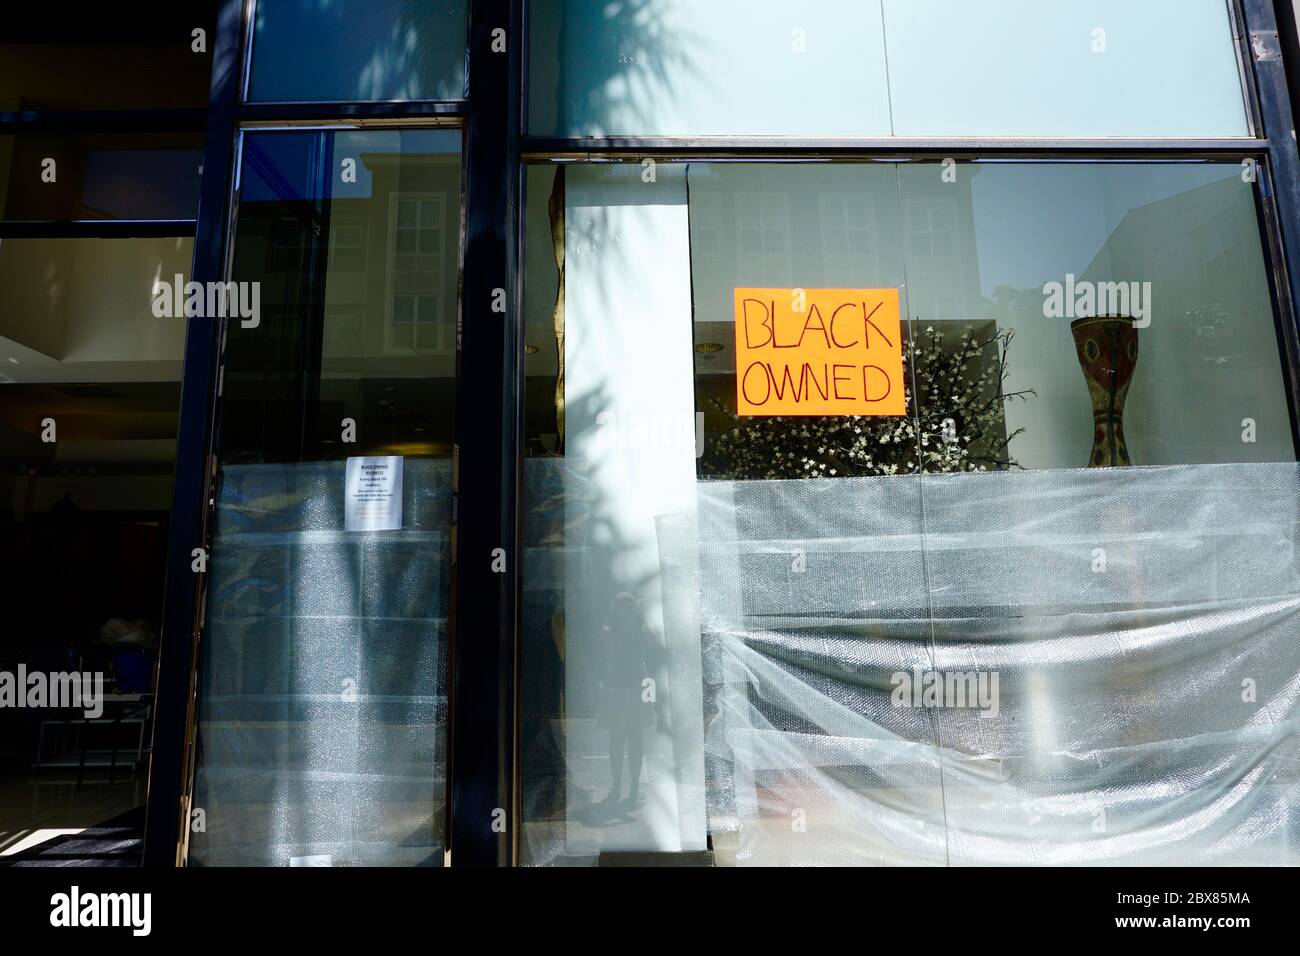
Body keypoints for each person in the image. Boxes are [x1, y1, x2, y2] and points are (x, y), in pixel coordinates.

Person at [597, 592, 654, 805]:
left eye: (631, 607)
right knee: (617, 738)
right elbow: (613, 649)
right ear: (616, 609)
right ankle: (616, 784)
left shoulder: (639, 628)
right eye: (623, 607)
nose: (628, 611)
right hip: (615, 688)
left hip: (637, 687)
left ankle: (635, 785)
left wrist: (642, 619)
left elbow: (651, 643)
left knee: (636, 738)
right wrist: (630, 624)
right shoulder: (608, 630)